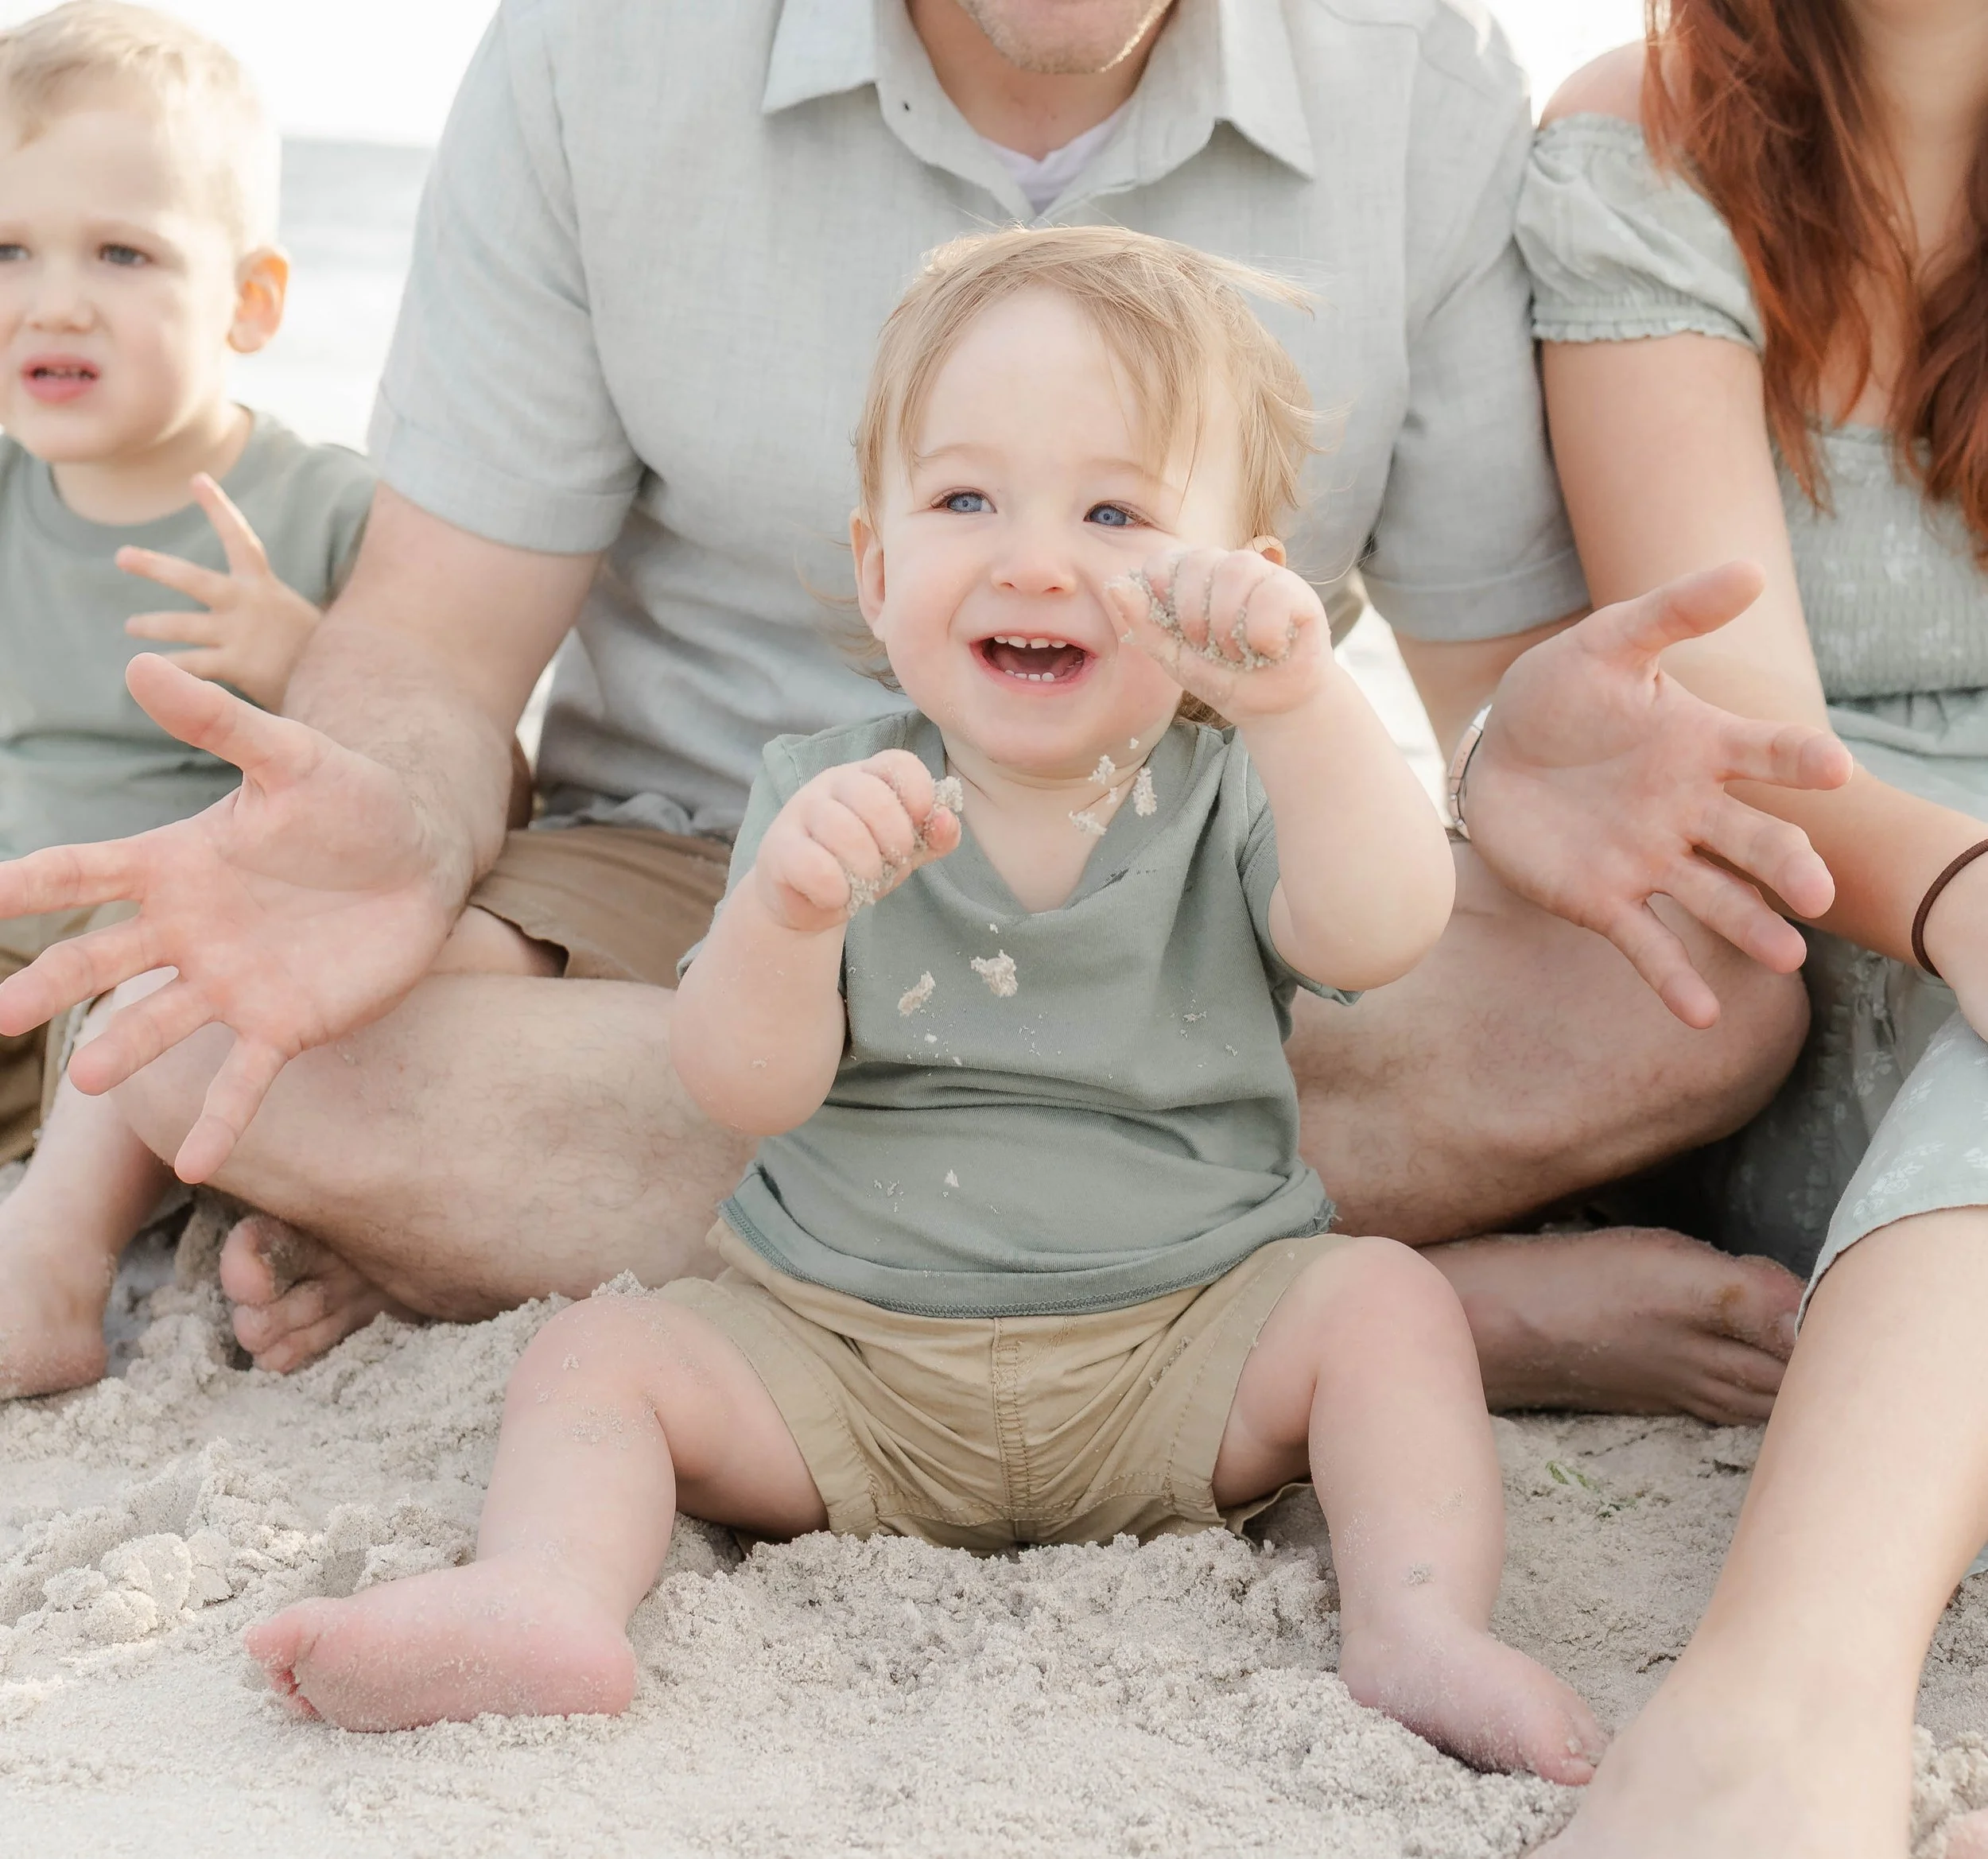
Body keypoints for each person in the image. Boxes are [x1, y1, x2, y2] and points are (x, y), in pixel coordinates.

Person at [0, 0, 1846, 1416]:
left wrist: (1521, 747)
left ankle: (610, 1254)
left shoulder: (1412, 80)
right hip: (695, 894)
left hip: (1181, 911)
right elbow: (433, 638)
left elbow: (1470, 708)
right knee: (194, 1034)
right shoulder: (604, 50)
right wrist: (388, 829)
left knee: (1693, 974)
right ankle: (1332, 1305)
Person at [242, 231, 1607, 1784]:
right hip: (841, 1364)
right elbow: (737, 1084)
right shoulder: (823, 793)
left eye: (1113, 511)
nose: (1032, 556)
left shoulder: (1233, 789)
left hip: (1181, 1345)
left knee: (1382, 1309)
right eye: (965, 500)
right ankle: (547, 1591)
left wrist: (1300, 701)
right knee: (600, 1357)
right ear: (880, 572)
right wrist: (782, 915)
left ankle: (1420, 1624)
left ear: (1239, 585)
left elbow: (1382, 925)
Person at [1510, 2, 1988, 1853]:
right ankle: (1778, 1697)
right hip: (1827, 912)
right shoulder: (1644, 145)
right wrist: (1960, 892)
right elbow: (1732, 740)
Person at [0, 2, 376, 1393]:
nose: (53, 299)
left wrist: (305, 664)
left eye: (122, 252)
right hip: (20, 950)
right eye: (9, 249)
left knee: (150, 971)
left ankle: (56, 1263)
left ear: (252, 300)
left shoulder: (327, 510)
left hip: (181, 958)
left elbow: (462, 788)